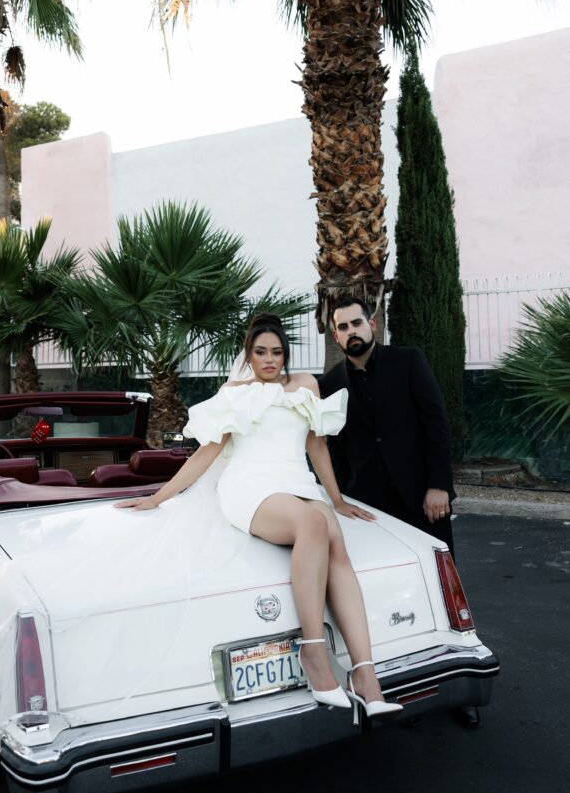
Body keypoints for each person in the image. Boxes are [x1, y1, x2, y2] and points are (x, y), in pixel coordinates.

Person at [119, 313, 402, 722]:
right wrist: (157, 498)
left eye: (277, 352)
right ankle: (313, 652)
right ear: (248, 355)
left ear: (285, 354)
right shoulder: (234, 393)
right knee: (312, 525)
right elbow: (207, 453)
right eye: (260, 352)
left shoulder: (305, 385)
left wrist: (337, 500)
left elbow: (317, 448)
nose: (270, 360)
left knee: (334, 536)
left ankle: (366, 676)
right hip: (249, 485)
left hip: (296, 480)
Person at [318, 295, 479, 728]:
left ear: (372, 324)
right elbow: (332, 447)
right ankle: (392, 681)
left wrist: (439, 485)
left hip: (421, 498)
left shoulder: (409, 361)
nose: (351, 331)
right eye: (342, 327)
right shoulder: (332, 381)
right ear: (335, 334)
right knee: (380, 593)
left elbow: (436, 423)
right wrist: (338, 500)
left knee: (445, 592)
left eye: (357, 323)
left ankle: (462, 691)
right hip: (367, 506)